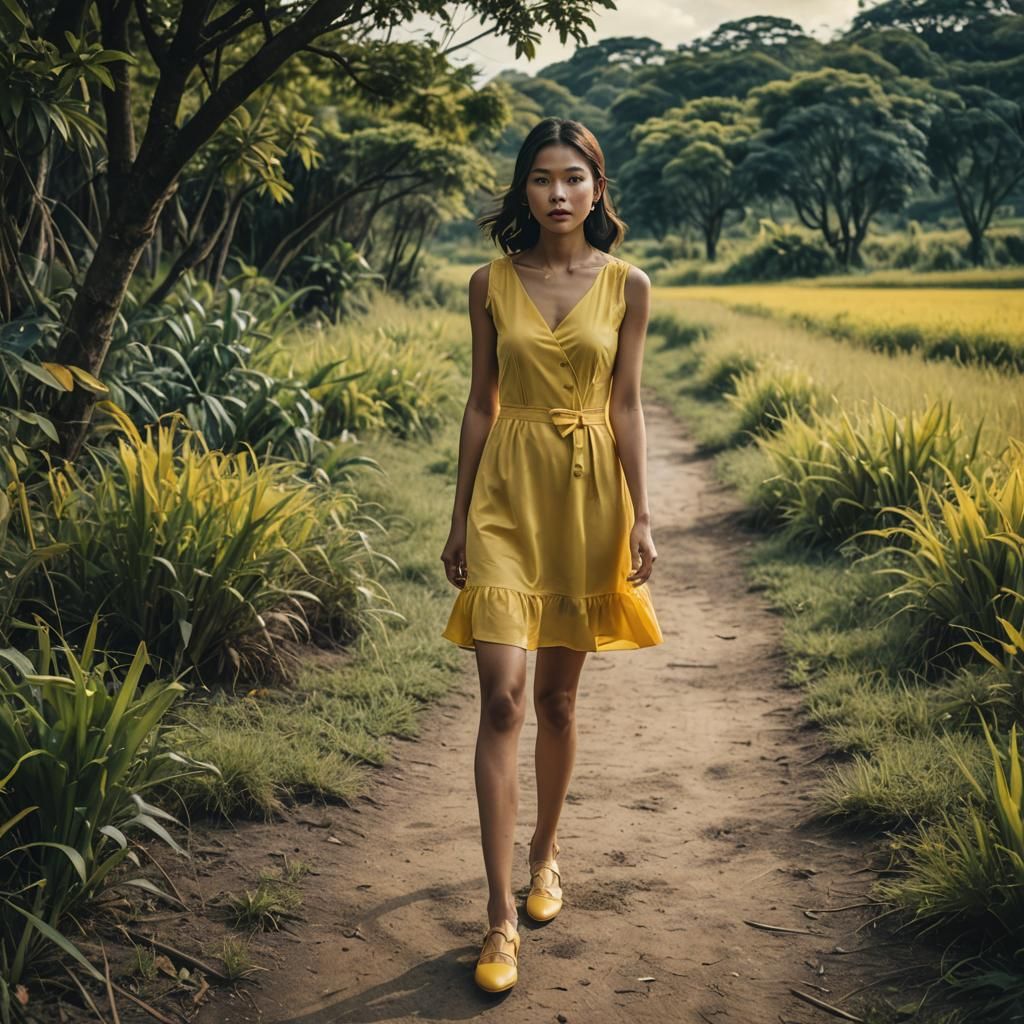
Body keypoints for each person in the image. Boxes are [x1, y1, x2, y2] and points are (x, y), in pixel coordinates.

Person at [438, 116, 664, 994]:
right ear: (522, 190)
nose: (558, 192)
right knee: (504, 699)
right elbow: (480, 403)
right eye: (542, 178)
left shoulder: (628, 287)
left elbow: (630, 407)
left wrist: (642, 516)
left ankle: (546, 856)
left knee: (560, 703)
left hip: (588, 499)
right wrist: (459, 518)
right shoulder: (489, 283)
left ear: (597, 188)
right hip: (506, 497)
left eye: (574, 177)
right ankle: (498, 920)